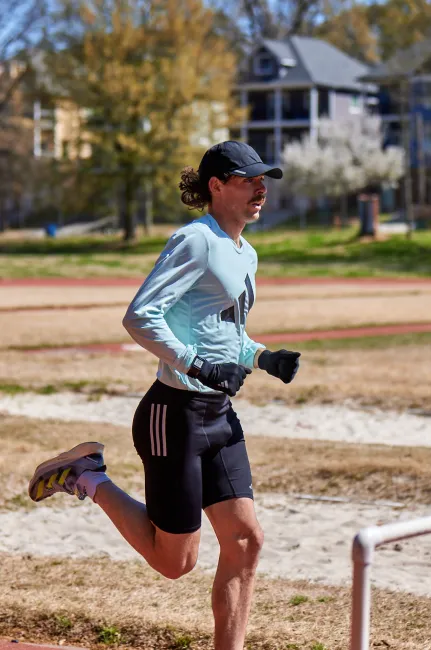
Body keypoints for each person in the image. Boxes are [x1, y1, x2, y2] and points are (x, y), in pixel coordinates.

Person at [28, 141, 301, 650]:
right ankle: (87, 477)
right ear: (216, 187)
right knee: (175, 563)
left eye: (265, 179)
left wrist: (263, 357)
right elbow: (139, 316)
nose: (262, 188)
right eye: (249, 180)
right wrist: (197, 365)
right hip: (172, 415)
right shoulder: (195, 240)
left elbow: (223, 333)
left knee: (246, 541)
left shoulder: (245, 252)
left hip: (219, 415)